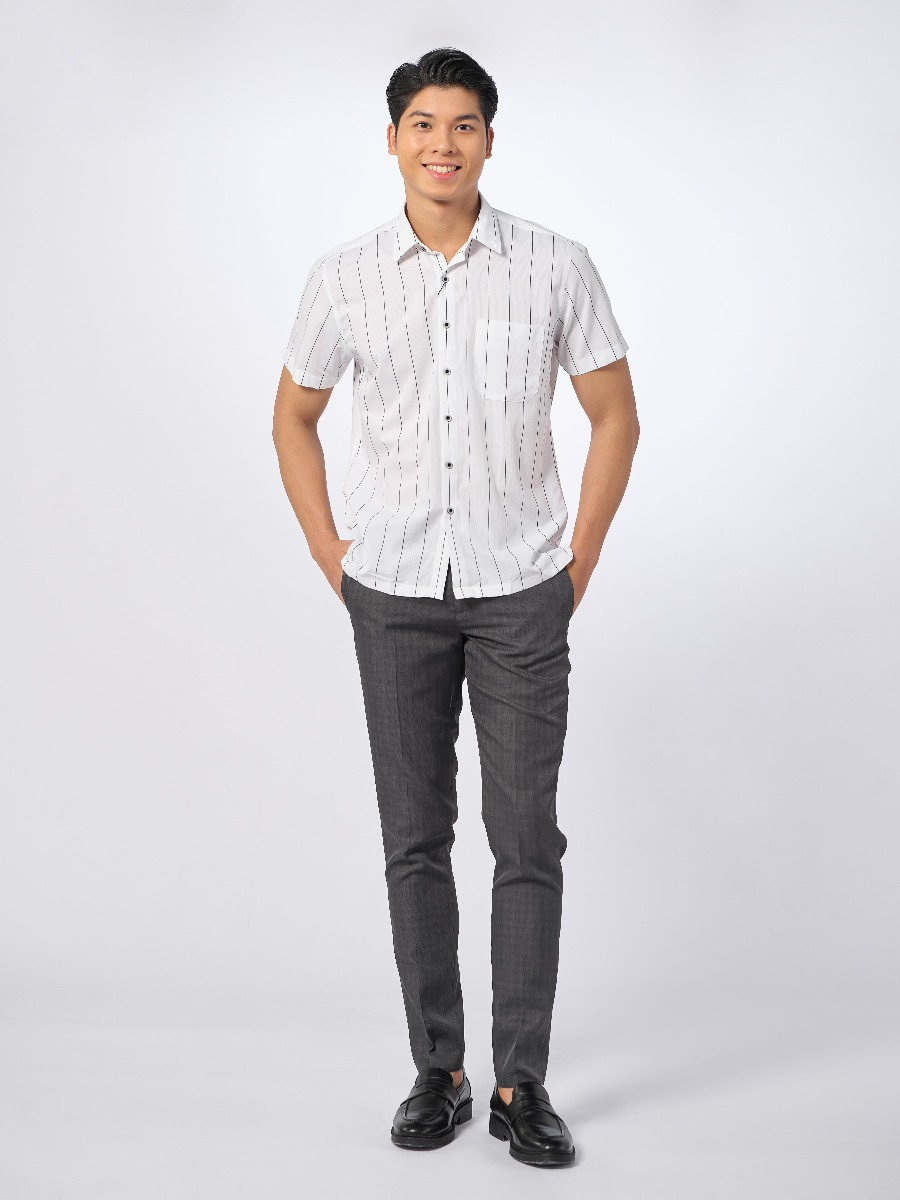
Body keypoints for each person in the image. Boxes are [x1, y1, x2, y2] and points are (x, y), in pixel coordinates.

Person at [272, 46, 639, 1169]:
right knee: (414, 838)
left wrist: (575, 564)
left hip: (522, 589)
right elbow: (293, 417)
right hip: (391, 592)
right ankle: (439, 1069)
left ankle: (522, 1082)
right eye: (423, 124)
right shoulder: (343, 278)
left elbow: (615, 415)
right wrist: (333, 554)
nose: (443, 144)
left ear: (489, 140)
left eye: (464, 124)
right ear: (393, 140)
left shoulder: (556, 266)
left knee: (526, 837)